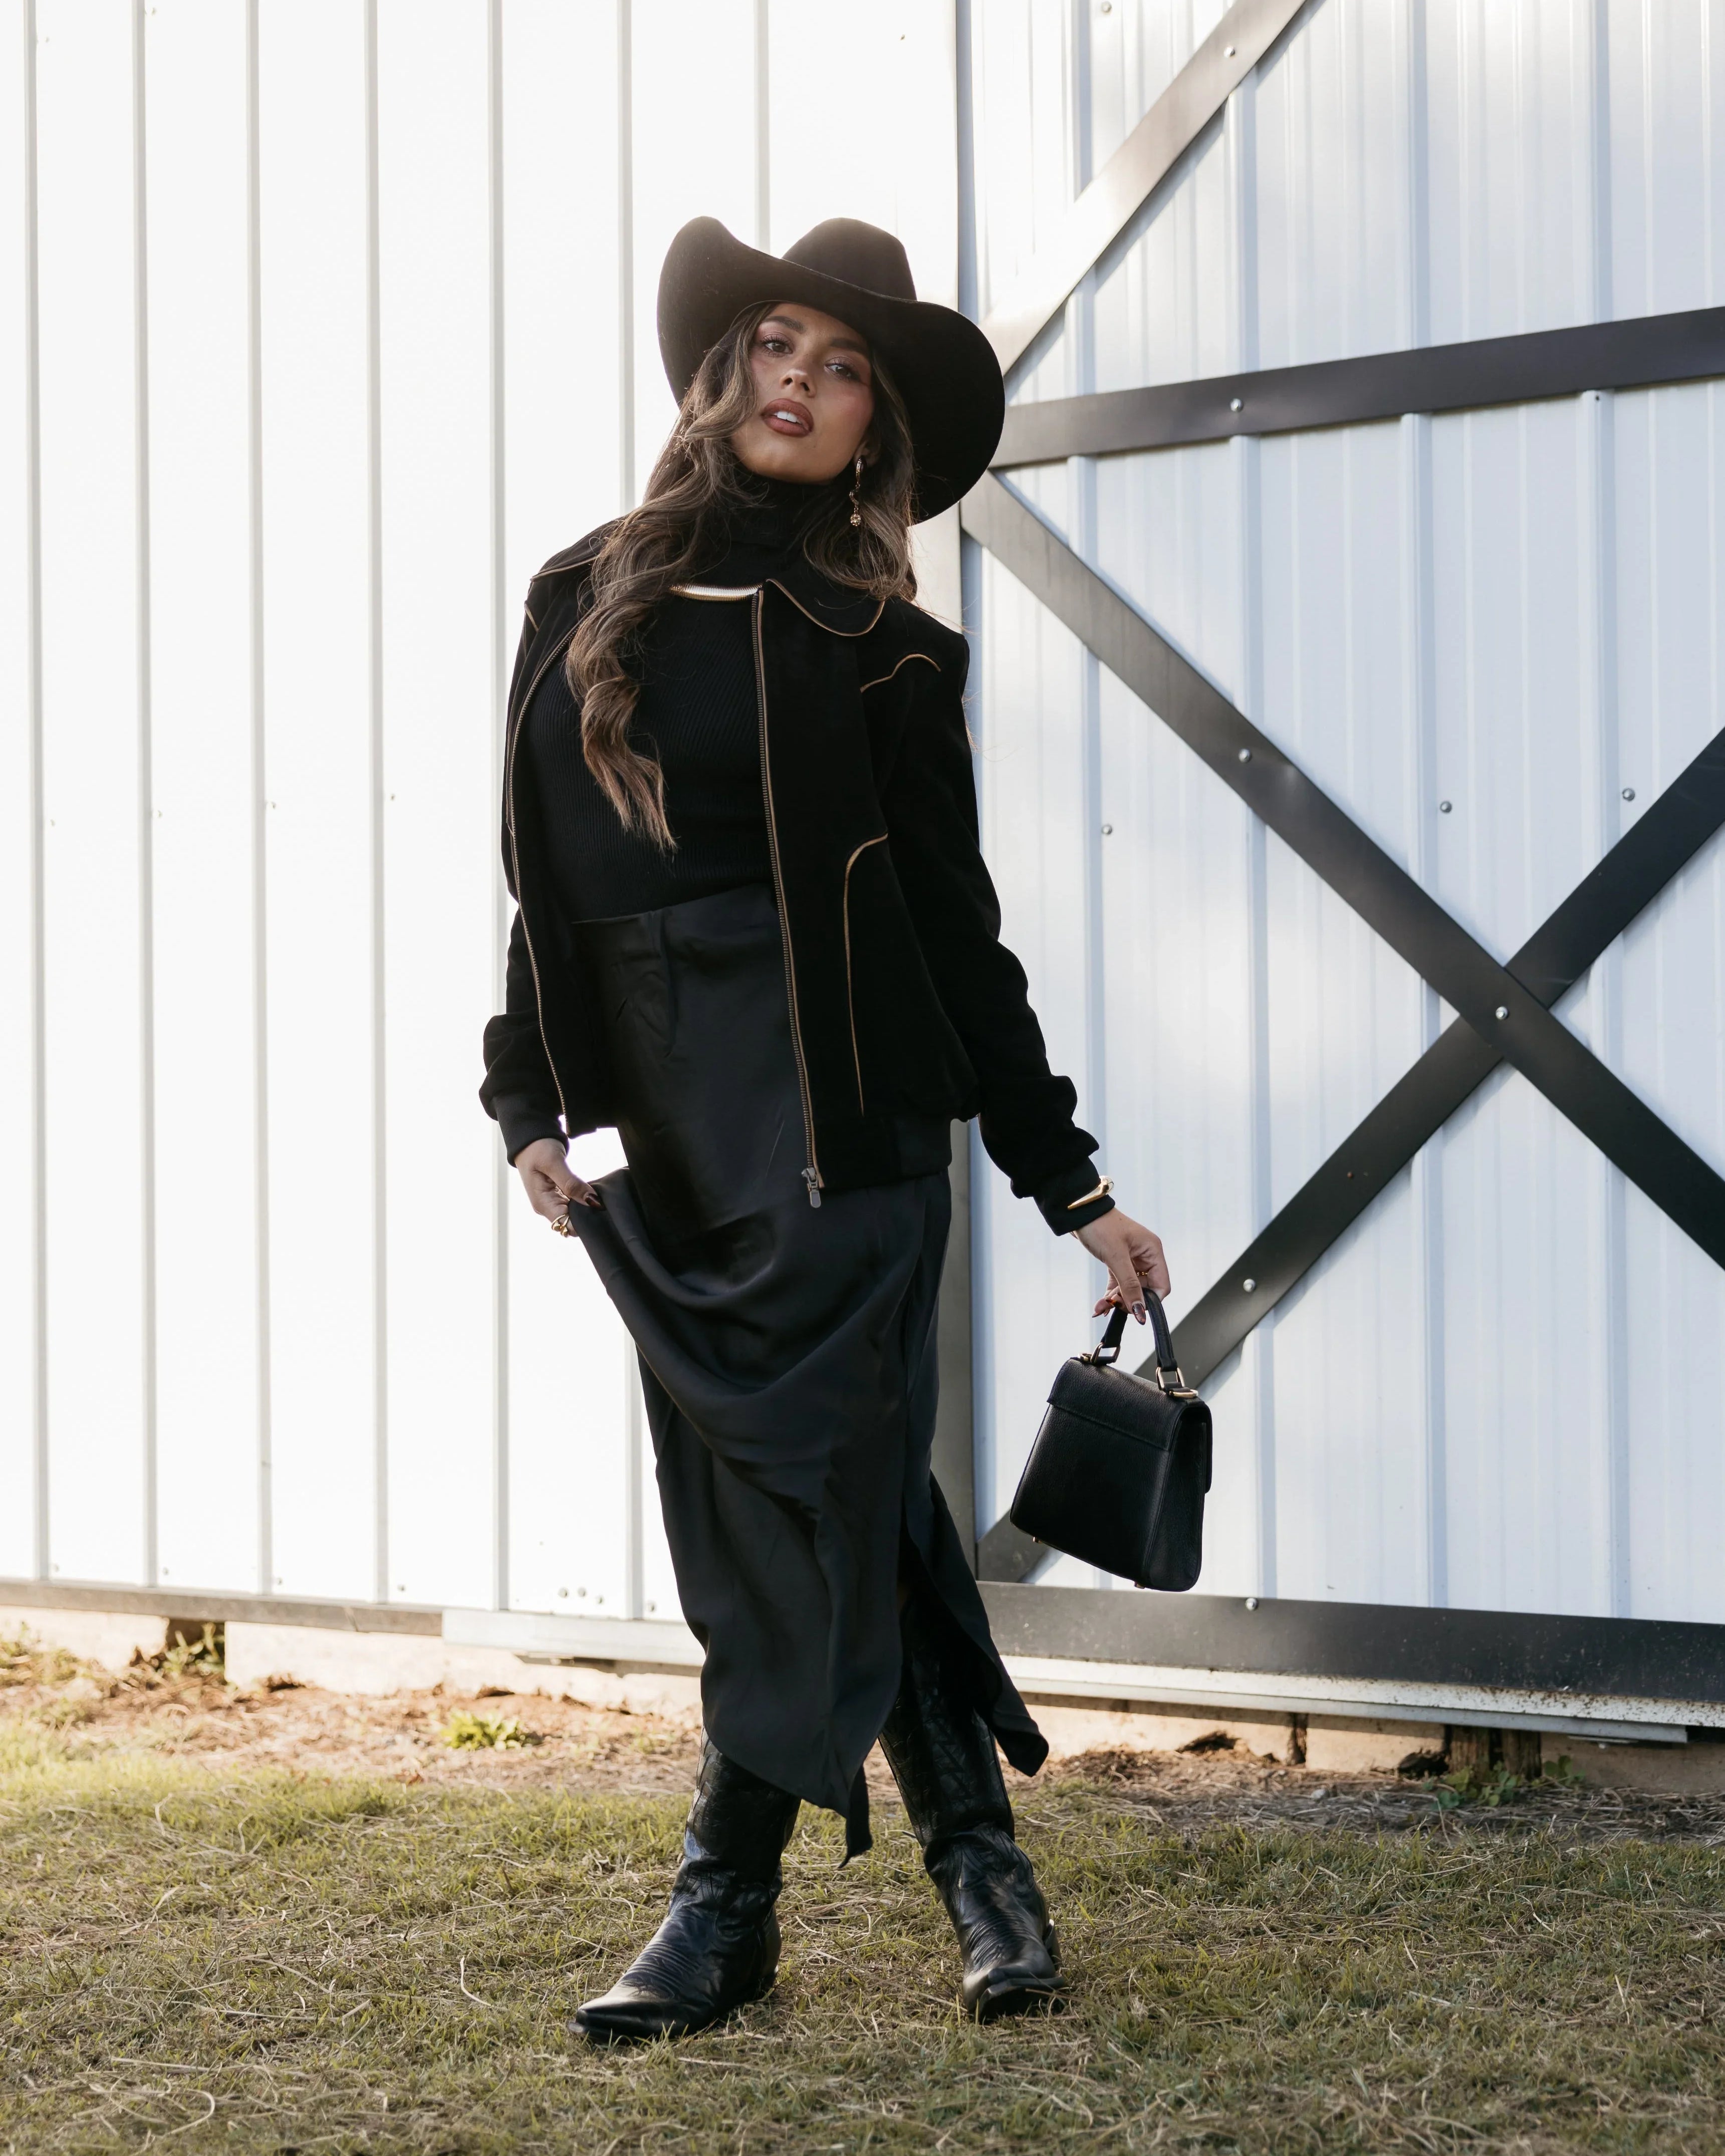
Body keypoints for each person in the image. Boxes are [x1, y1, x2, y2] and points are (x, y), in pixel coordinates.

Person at [481, 215, 1169, 2042]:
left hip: (851, 1123)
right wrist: (526, 1097)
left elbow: (956, 930)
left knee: (825, 1492)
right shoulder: (581, 591)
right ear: (723, 374)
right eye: (777, 343)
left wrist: (1065, 1177)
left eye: (843, 366)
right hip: (677, 1133)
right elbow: (545, 881)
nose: (800, 380)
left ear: (875, 431)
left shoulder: (885, 646)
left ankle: (723, 1907)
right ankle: (978, 1862)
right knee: (814, 1504)